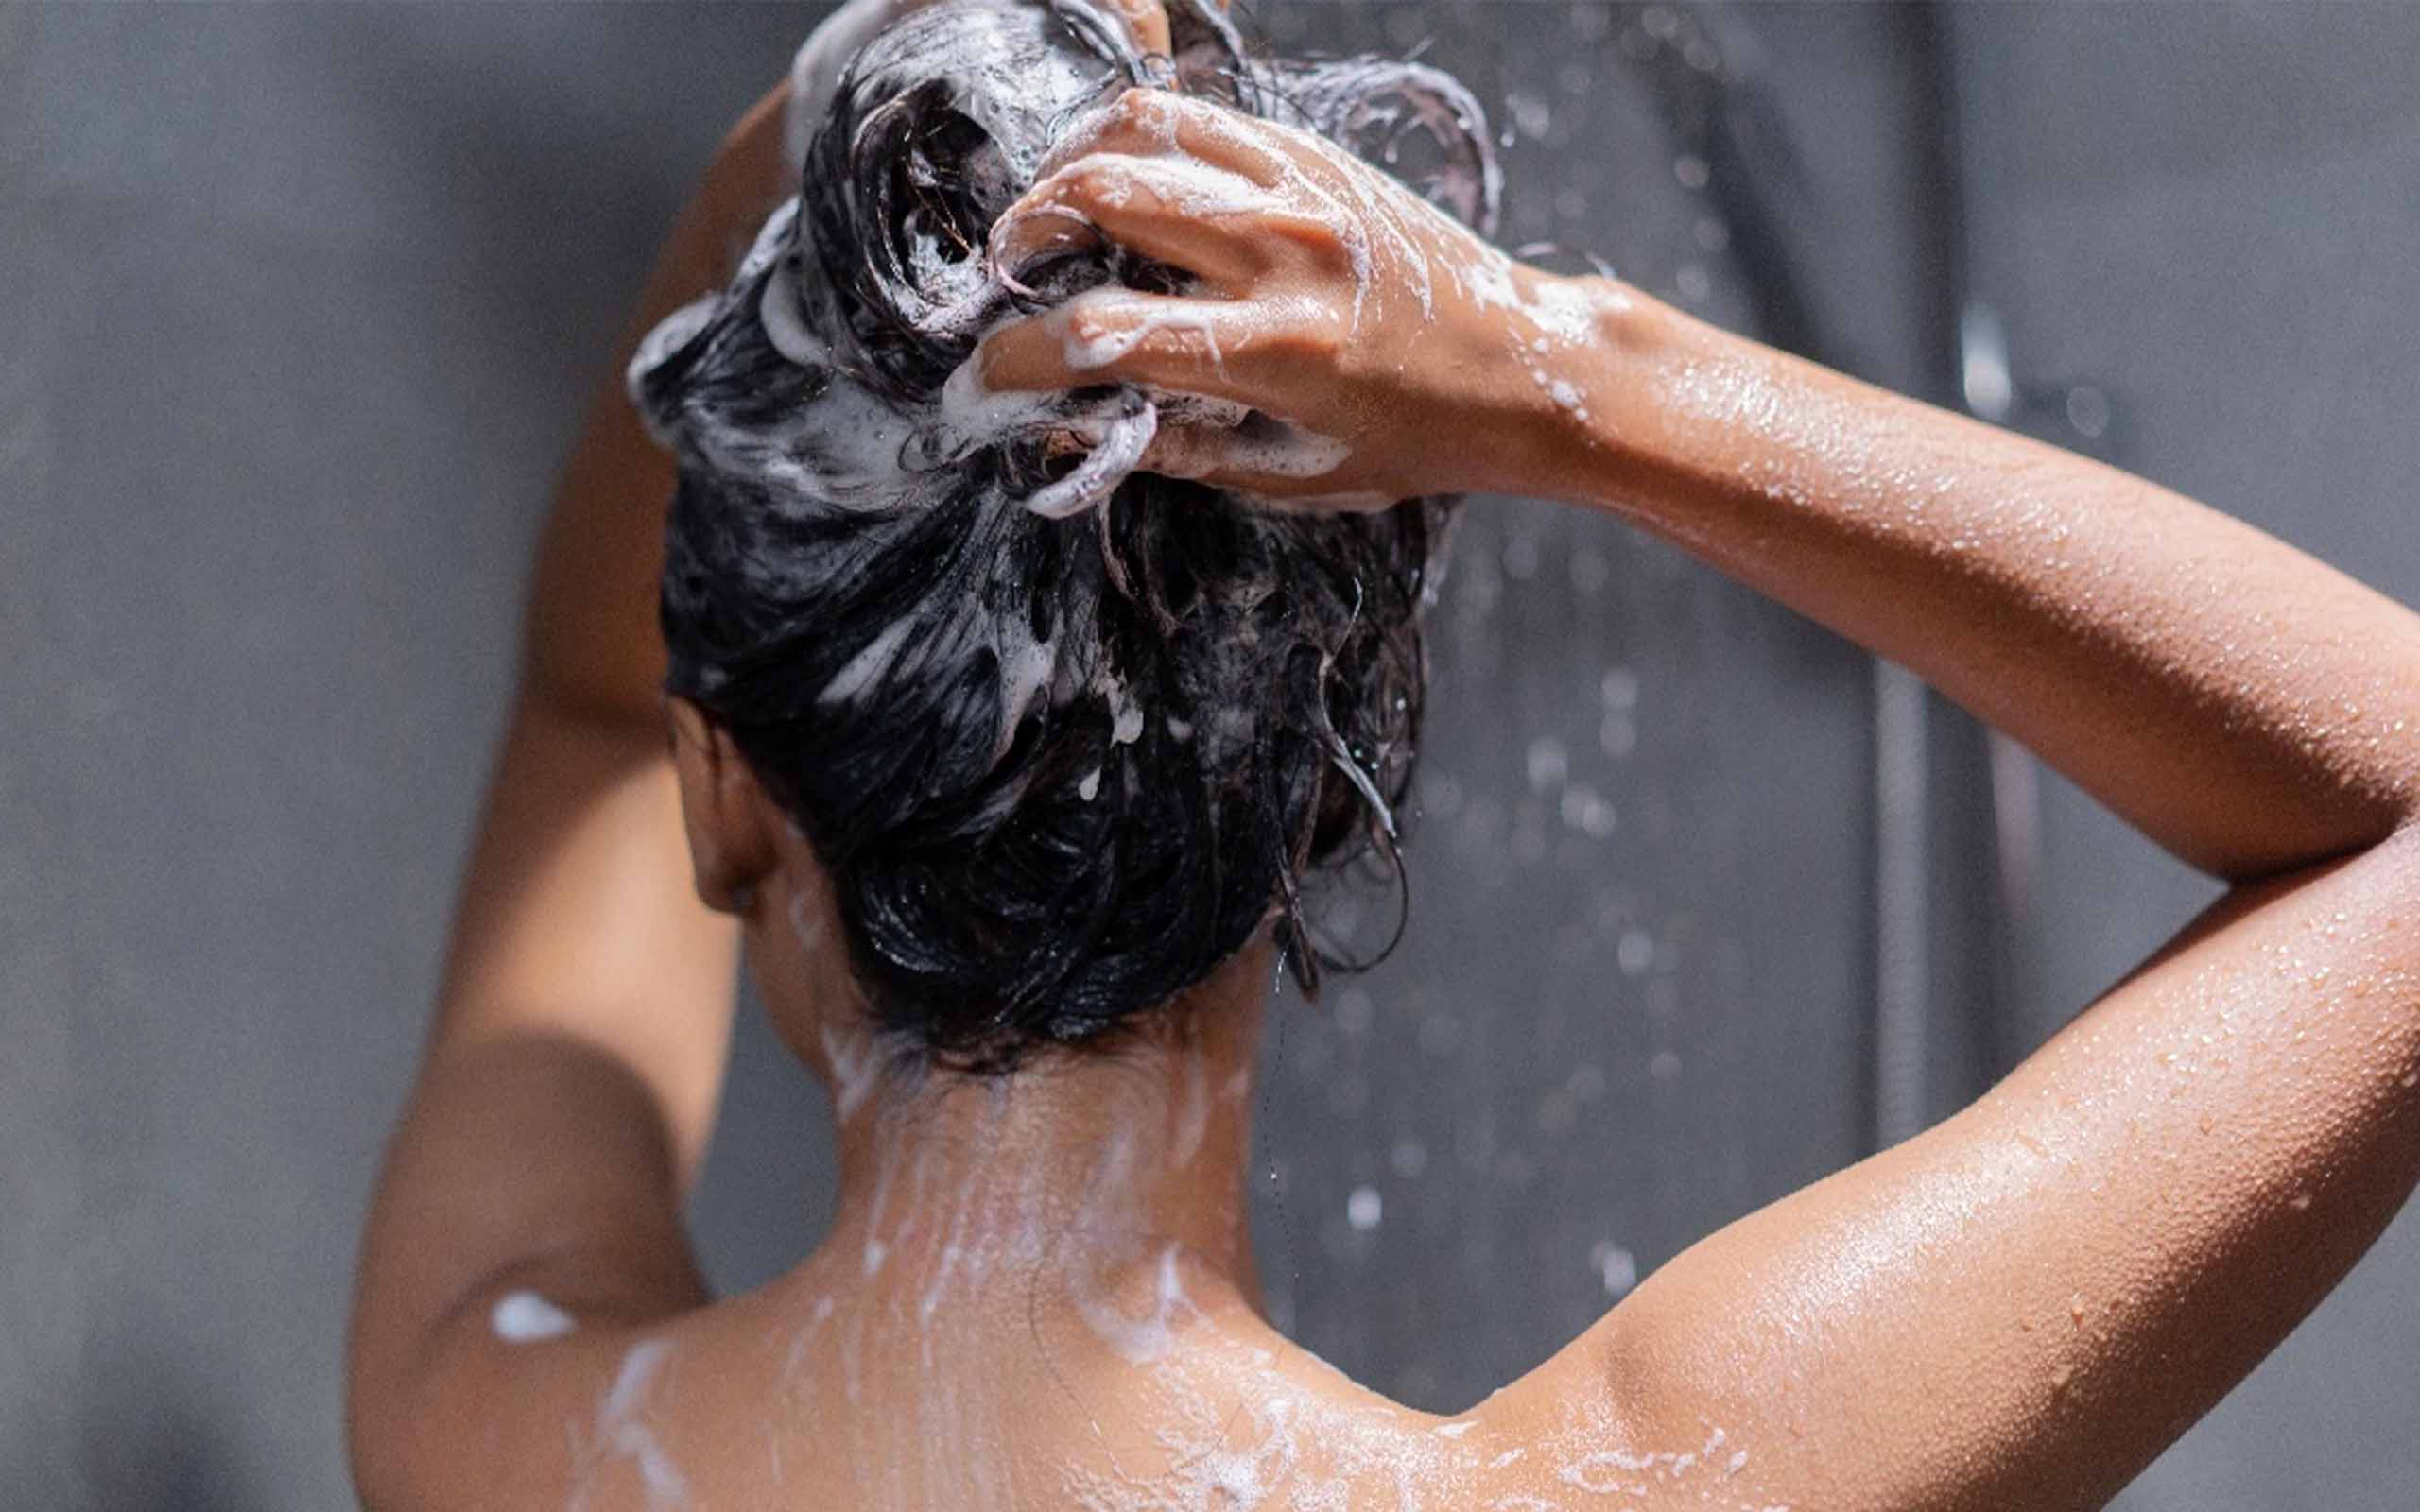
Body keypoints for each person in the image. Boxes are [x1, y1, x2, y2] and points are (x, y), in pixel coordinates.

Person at [347, 2, 2420, 1507]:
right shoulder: (1634, 1488)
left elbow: (590, 698)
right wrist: (1564, 375)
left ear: (729, 801)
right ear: (1332, 773)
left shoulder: (489, 1417)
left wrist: (802, 149)